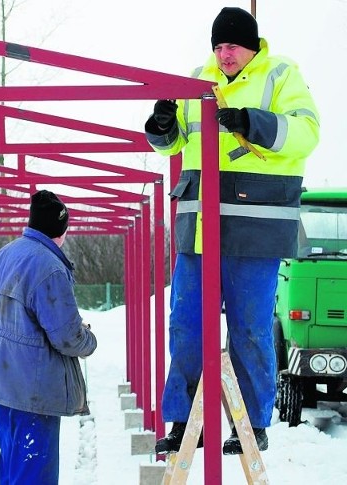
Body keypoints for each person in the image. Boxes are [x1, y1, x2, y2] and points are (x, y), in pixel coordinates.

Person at [145, 7, 319, 455]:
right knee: (184, 326)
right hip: (199, 229)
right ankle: (185, 423)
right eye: (218, 46)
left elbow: (307, 132)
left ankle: (251, 425)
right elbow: (175, 142)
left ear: (252, 45)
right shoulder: (195, 80)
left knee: (251, 331)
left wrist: (250, 122)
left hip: (254, 230)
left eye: (232, 46)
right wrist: (162, 128)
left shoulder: (281, 75)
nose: (224, 54)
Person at [0, 190, 97, 484]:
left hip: (1, 383)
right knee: (34, 471)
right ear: (61, 229)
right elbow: (68, 336)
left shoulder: (5, 254)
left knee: (13, 464)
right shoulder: (48, 266)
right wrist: (89, 339)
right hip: (32, 389)